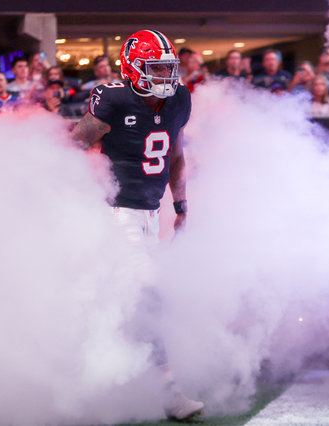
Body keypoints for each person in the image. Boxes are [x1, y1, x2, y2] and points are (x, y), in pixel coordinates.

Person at [71, 29, 204, 422]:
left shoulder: (179, 99)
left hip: (149, 214)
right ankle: (169, 393)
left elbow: (176, 154)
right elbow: (74, 145)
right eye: (156, 68)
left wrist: (180, 204)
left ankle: (93, 377)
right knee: (148, 297)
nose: (165, 76)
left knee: (124, 305)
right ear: (133, 68)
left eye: (168, 67)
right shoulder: (114, 99)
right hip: (116, 213)